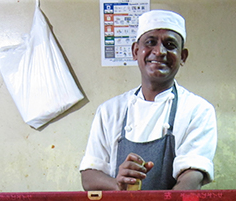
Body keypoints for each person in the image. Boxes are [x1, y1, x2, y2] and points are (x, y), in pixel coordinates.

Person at [80, 9, 217, 191]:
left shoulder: (197, 110)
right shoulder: (110, 111)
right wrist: (118, 184)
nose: (159, 52)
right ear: (135, 51)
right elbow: (89, 177)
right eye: (150, 42)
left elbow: (191, 180)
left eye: (170, 45)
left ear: (182, 56)